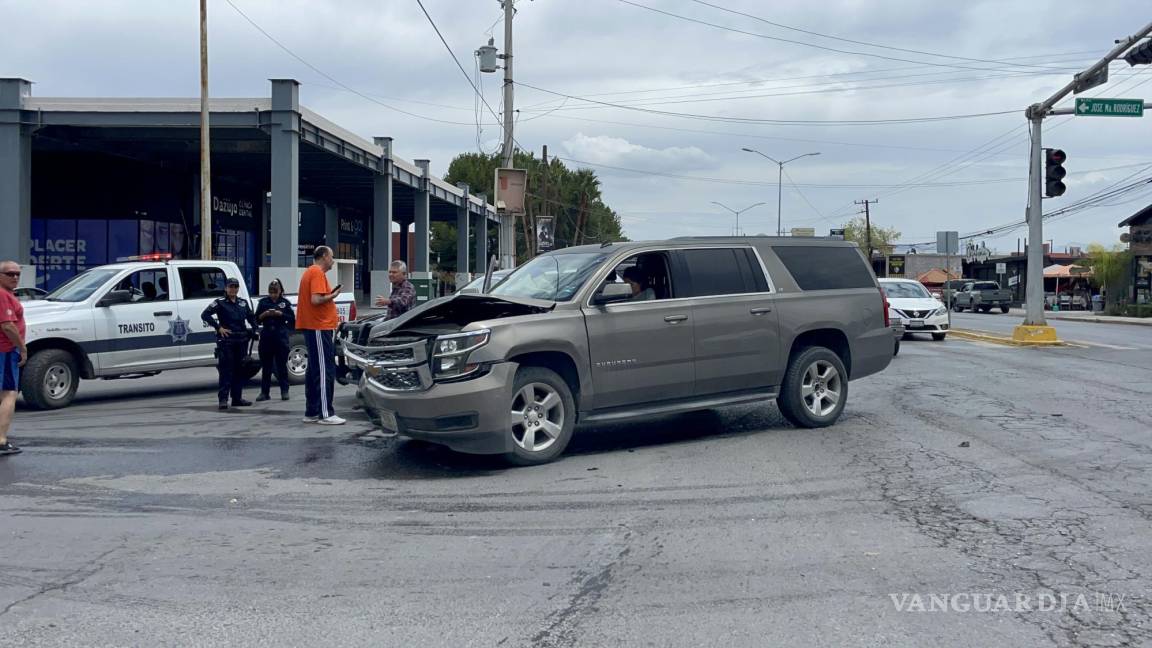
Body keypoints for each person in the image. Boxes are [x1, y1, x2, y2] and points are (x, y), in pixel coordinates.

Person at [297, 246, 345, 425]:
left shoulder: (311, 271)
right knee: (325, 369)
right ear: (324, 256)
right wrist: (332, 295)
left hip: (315, 326)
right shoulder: (316, 272)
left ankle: (312, 411)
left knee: (314, 370)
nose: (333, 260)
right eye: (332, 256)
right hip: (318, 326)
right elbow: (316, 299)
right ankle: (326, 413)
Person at [201, 277, 258, 410]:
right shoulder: (220, 303)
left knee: (240, 371)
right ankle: (223, 399)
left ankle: (237, 399)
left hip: (241, 340)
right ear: (226, 288)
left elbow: (251, 317)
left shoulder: (243, 303)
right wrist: (218, 327)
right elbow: (205, 315)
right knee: (226, 370)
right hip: (227, 341)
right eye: (231, 287)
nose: (233, 289)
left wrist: (255, 329)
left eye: (235, 287)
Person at [0, 260, 26, 456]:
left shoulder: (8, 295)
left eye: (17, 273)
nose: (15, 277)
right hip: (6, 350)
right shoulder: (2, 295)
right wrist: (22, 347)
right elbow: (8, 325)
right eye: (9, 273)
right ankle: (1, 440)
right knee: (10, 393)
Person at [255, 279, 295, 402]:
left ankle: (284, 390)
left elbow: (292, 320)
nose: (273, 294)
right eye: (271, 292)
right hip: (267, 336)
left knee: (281, 366)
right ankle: (264, 392)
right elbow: (256, 320)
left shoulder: (285, 303)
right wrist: (265, 315)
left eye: (275, 292)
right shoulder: (263, 302)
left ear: (280, 291)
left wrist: (280, 314)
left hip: (280, 336)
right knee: (266, 366)